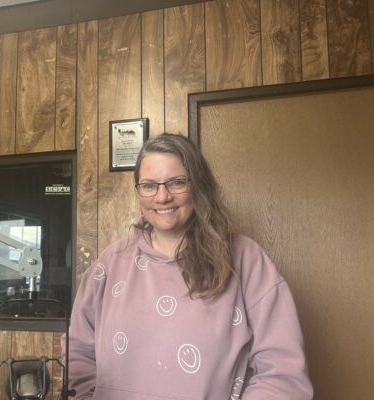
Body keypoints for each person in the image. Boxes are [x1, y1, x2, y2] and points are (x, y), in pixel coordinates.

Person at [65, 133, 313, 399]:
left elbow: (282, 375)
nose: (162, 197)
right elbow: (77, 353)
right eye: (149, 185)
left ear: (198, 185)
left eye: (176, 182)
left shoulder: (245, 260)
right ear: (138, 191)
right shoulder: (110, 263)